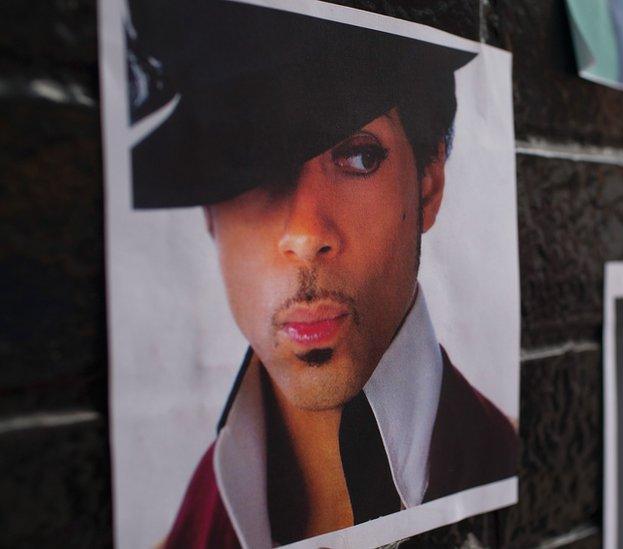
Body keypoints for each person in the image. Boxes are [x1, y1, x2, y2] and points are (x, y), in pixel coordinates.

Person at [123, 1, 518, 547]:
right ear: (210, 214)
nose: (307, 235)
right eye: (254, 168)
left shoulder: (500, 463)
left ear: (426, 184)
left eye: (358, 158)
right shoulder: (191, 524)